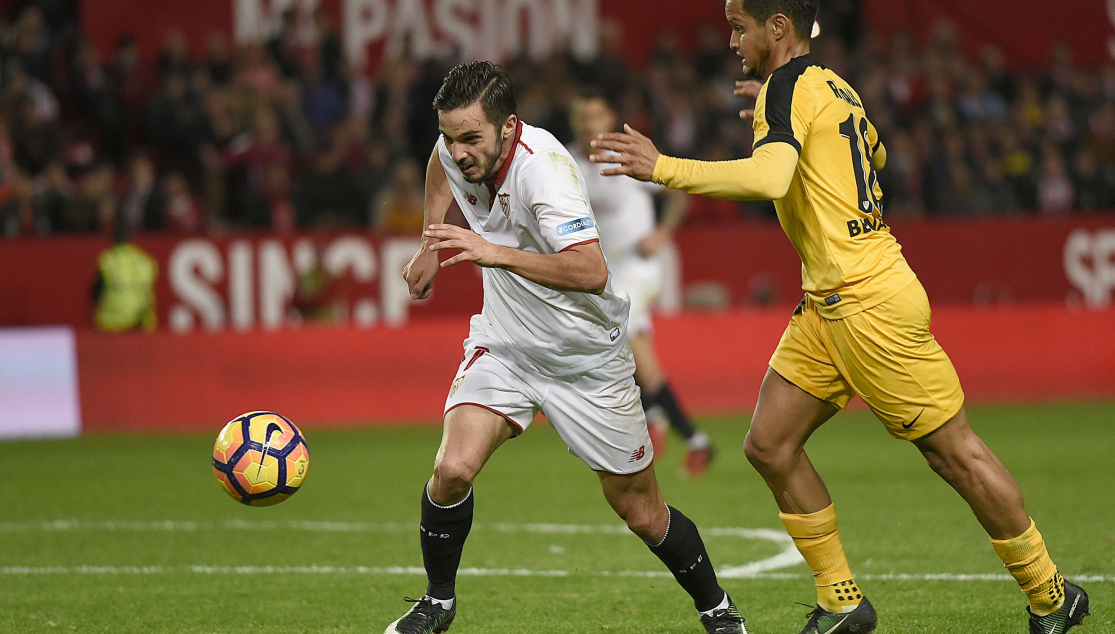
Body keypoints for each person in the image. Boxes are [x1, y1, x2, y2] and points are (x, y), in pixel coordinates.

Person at [589, 1, 1091, 633]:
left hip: (867, 299)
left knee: (953, 452)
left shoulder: (787, 87)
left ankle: (1051, 594)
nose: (730, 38)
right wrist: (797, 128)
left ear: (777, 27)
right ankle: (842, 601)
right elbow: (874, 157)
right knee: (769, 446)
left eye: (739, 25)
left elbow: (771, 180)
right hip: (829, 305)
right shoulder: (834, 86)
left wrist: (662, 167)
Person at [390, 61, 746, 634]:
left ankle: (718, 610)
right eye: (451, 136)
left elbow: (591, 270)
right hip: (506, 344)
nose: (458, 152)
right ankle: (438, 602)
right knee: (452, 469)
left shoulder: (545, 172)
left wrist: (494, 252)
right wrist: (432, 242)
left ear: (509, 128)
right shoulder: (454, 146)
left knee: (641, 510)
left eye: (470, 139)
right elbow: (437, 163)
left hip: (586, 360)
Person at [568, 93, 716, 477]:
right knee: (625, 347)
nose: (589, 124)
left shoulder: (625, 156)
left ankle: (654, 419)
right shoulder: (568, 164)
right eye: (583, 117)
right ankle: (692, 437)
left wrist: (663, 235)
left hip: (640, 266)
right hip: (605, 274)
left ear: (609, 118)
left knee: (626, 333)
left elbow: (678, 191)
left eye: (596, 115)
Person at [91, 219, 157, 332]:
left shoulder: (108, 260)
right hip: (141, 324)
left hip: (112, 324)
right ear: (130, 238)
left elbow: (95, 293)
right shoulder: (144, 260)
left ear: (113, 238)